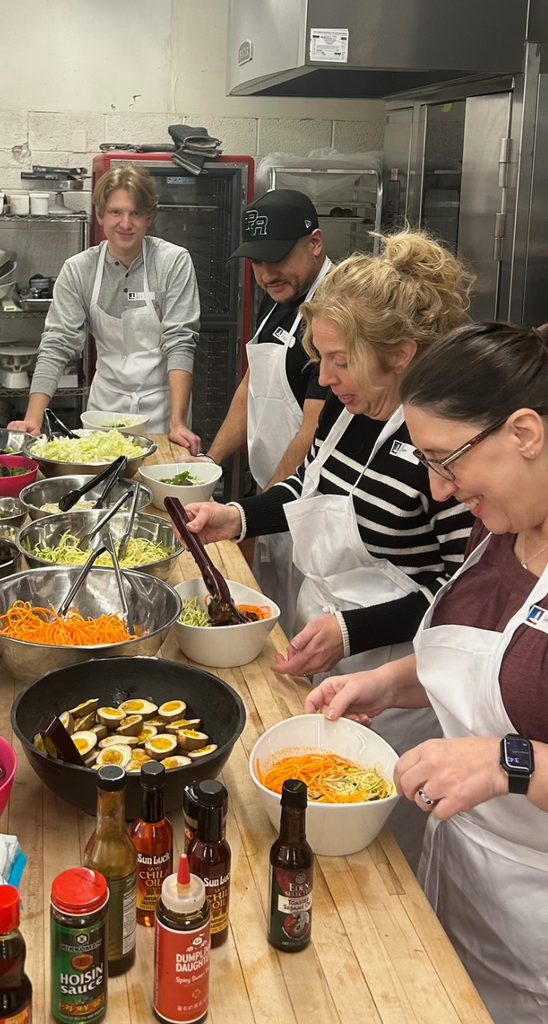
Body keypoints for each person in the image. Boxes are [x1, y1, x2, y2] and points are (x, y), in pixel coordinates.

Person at [180, 232, 476, 864]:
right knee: (309, 824)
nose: (324, 376)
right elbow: (306, 487)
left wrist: (354, 630)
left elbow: (460, 596)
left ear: (400, 354)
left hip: (397, 674)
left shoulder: (440, 447)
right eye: (319, 356)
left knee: (373, 848)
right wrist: (236, 516)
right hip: (327, 639)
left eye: (339, 358)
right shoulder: (349, 412)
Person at [307, 322, 548, 1023]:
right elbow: (487, 667)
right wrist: (386, 683)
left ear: (525, 433)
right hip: (460, 876)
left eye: (449, 462)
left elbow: (516, 732)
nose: (439, 492)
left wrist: (513, 763)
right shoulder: (499, 526)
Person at [187, 190, 330, 636]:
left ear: (316, 243)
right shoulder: (280, 300)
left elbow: (312, 429)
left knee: (300, 631)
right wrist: (208, 465)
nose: (267, 273)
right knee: (269, 625)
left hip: (306, 509)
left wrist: (255, 514)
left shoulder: (336, 311)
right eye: (257, 262)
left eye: (278, 257)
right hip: (271, 500)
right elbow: (253, 387)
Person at [9, 165, 201, 452]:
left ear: (149, 216)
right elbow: (57, 344)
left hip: (162, 411)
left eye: (135, 213)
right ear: (99, 214)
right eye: (115, 212)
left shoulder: (173, 262)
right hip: (104, 410)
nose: (126, 223)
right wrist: (33, 420)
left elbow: (180, 341)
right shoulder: (78, 270)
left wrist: (178, 422)